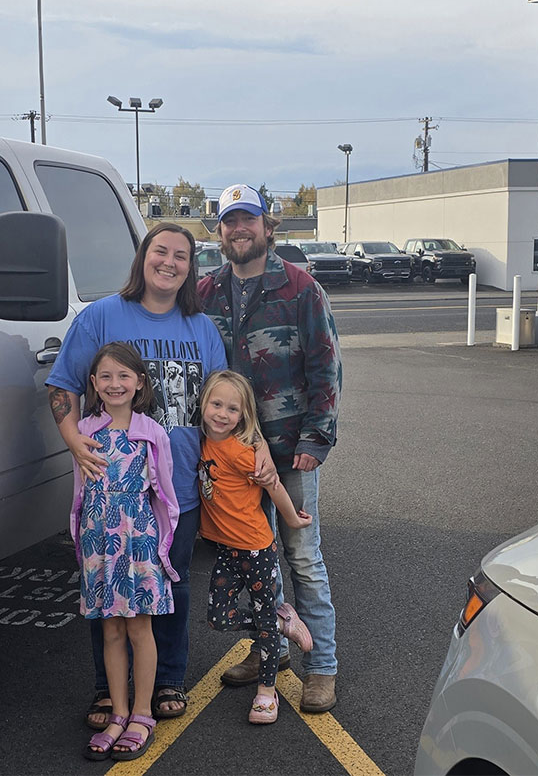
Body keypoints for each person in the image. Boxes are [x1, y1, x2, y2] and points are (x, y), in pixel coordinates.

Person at [47, 222, 273, 724]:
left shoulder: (201, 329)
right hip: (111, 487)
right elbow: (61, 384)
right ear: (142, 258)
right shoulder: (102, 316)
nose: (169, 262)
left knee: (171, 585)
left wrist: (258, 450)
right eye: (160, 251)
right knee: (105, 585)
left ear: (192, 269)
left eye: (181, 256)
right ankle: (108, 689)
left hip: (177, 490)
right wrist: (72, 440)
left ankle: (169, 679)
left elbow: (225, 403)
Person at [198, 184, 342, 713]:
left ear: (268, 226)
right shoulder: (207, 290)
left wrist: (315, 438)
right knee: (254, 558)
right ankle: (272, 651)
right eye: (230, 220)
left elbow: (326, 368)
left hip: (287, 450)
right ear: (220, 230)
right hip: (233, 456)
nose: (239, 229)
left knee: (303, 558)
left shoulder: (301, 287)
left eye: (248, 219)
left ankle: (321, 666)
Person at [75, 343, 178, 760]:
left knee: (139, 628)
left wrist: (163, 550)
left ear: (140, 383)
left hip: (137, 539)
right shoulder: (83, 431)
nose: (114, 384)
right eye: (105, 376)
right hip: (99, 541)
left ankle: (141, 713)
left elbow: (165, 496)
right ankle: (117, 712)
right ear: (95, 384)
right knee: (110, 630)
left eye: (123, 376)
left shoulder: (152, 432)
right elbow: (79, 495)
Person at [198, 370, 313, 724]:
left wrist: (292, 519)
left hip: (256, 550)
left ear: (243, 416)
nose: (222, 414)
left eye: (232, 409)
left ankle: (266, 692)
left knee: (261, 625)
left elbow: (273, 484)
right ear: (203, 404)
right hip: (226, 551)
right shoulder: (201, 440)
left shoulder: (241, 451)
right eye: (216, 404)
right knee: (219, 618)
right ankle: (281, 621)